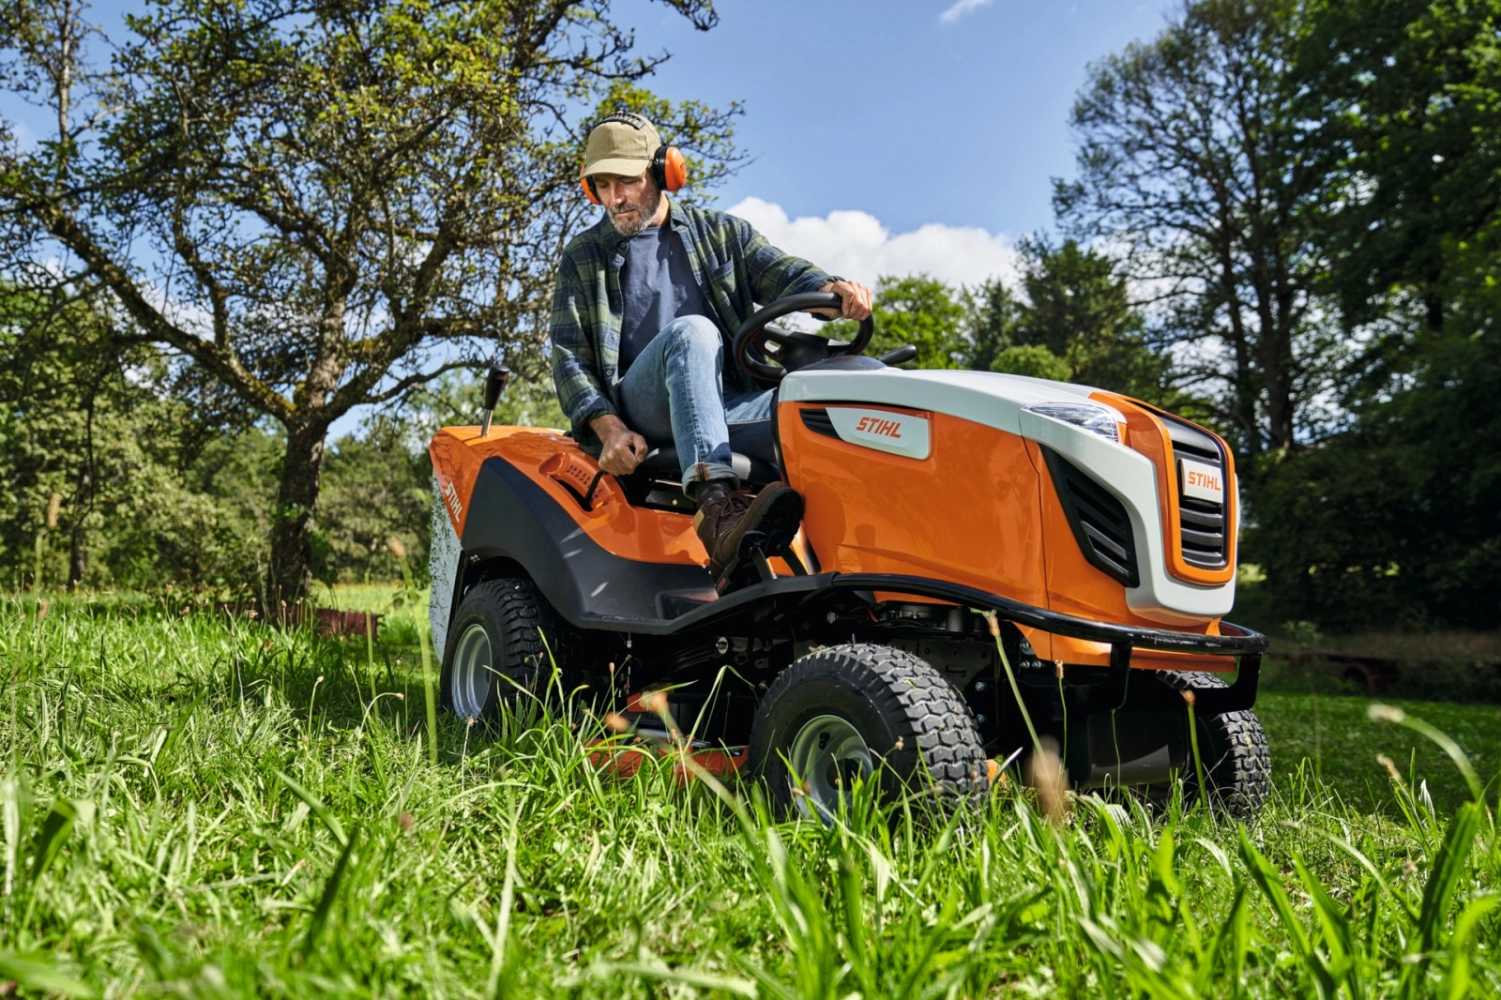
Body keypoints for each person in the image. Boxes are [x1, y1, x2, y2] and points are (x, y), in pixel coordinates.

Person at [551, 112, 872, 593]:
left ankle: (860, 570)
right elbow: (569, 358)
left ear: (663, 173)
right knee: (694, 334)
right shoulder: (584, 256)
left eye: (626, 182)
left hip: (723, 405)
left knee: (836, 403)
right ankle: (718, 511)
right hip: (642, 410)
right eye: (601, 185)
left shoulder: (721, 235)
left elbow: (782, 271)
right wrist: (609, 428)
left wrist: (833, 292)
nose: (613, 199)